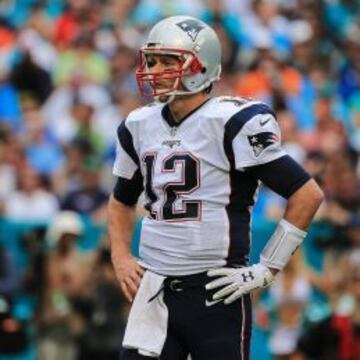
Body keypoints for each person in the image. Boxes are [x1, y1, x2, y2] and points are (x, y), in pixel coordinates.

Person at [108, 15, 324, 360]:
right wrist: (120, 256)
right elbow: (120, 201)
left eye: (168, 61)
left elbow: (307, 193)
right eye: (152, 60)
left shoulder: (233, 121)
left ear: (201, 66)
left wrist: (267, 268)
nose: (155, 69)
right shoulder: (138, 125)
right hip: (155, 291)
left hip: (217, 290)